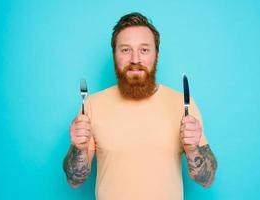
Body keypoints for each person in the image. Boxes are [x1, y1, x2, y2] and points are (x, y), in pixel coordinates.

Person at [63, 12, 217, 200]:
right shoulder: (92, 105)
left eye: (144, 50)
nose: (135, 59)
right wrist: (78, 147)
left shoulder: (183, 104)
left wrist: (193, 149)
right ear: (114, 55)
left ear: (156, 55)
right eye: (125, 50)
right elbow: (74, 180)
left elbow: (207, 180)